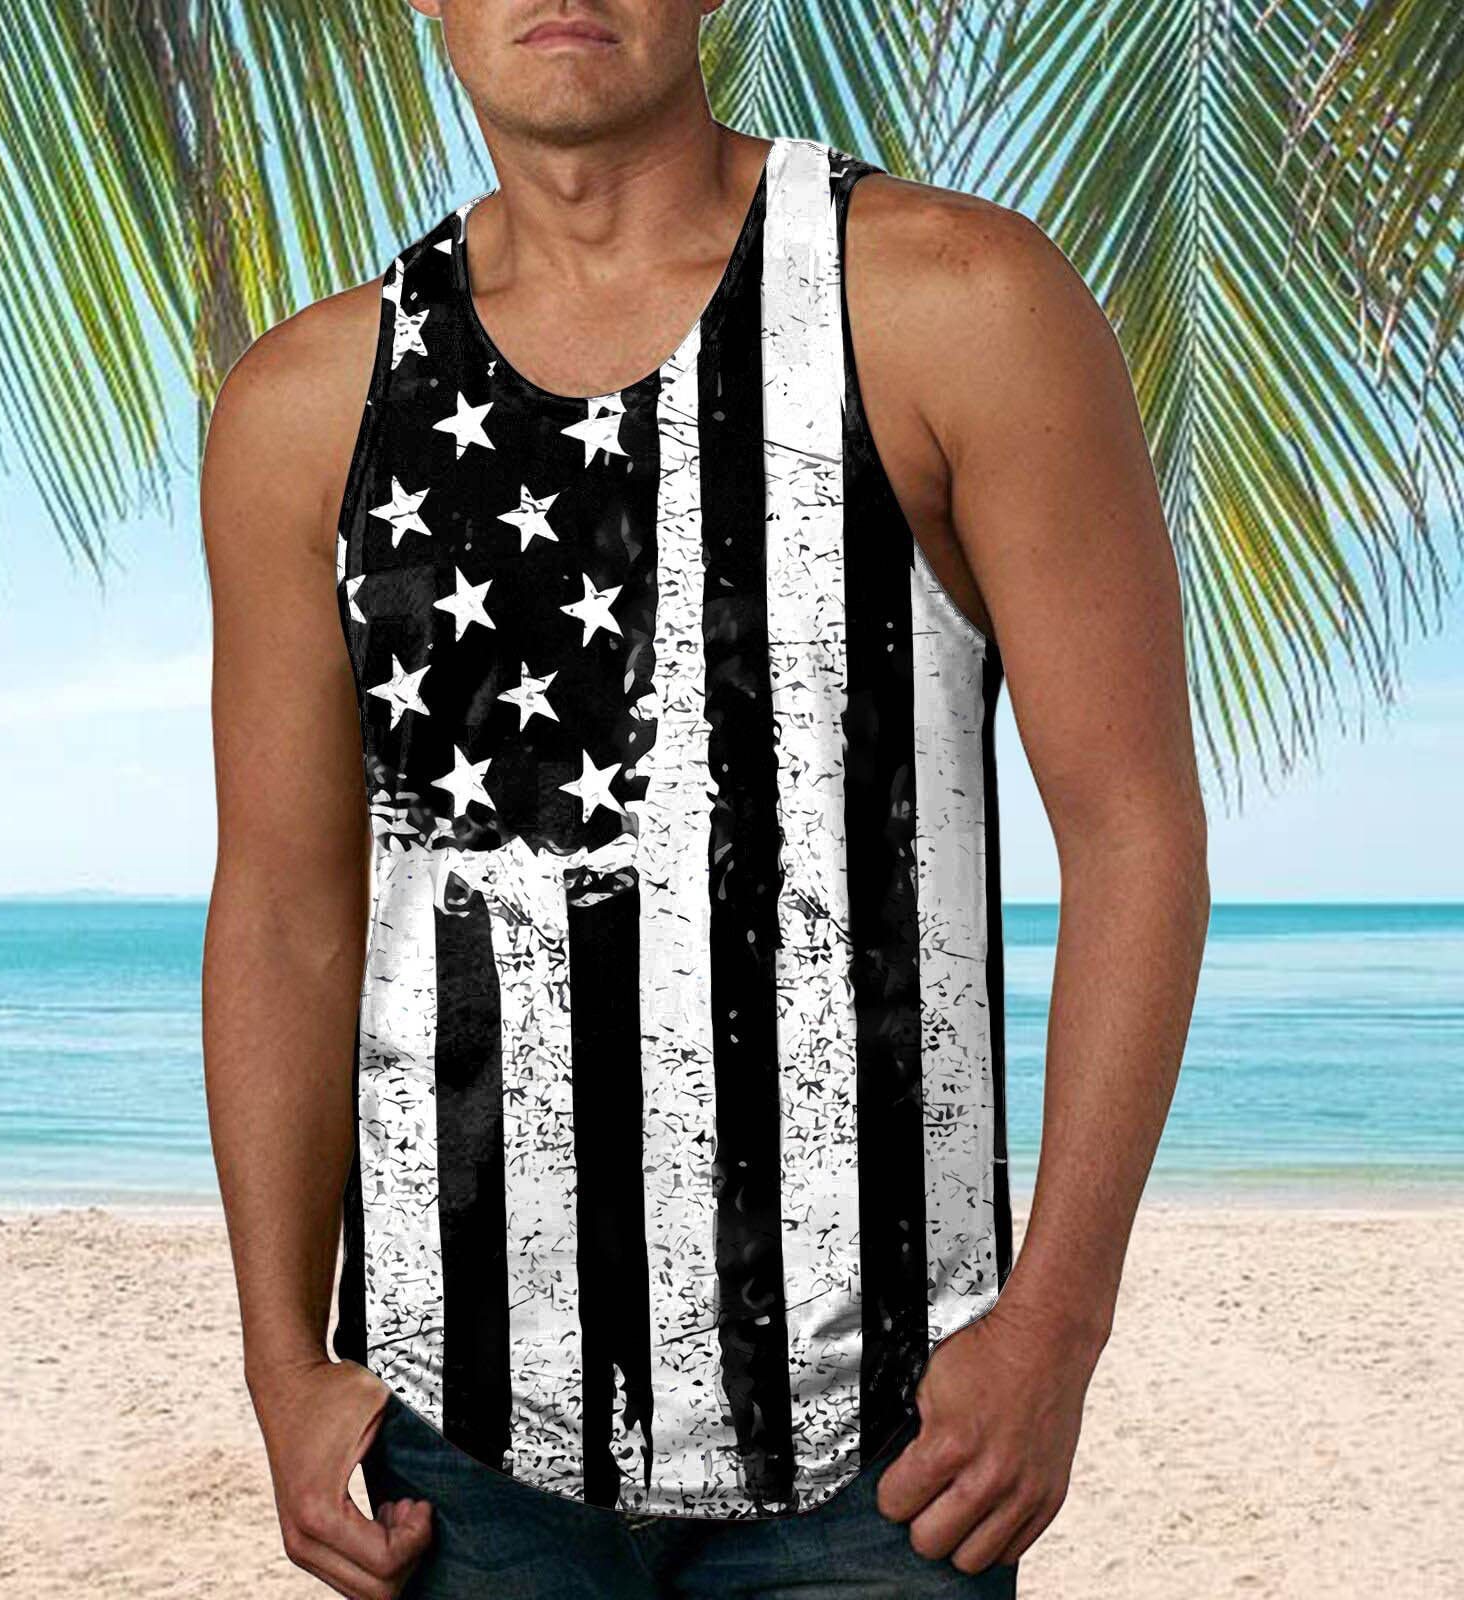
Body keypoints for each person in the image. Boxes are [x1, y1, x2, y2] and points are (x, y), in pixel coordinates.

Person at [198, 2, 1210, 1596]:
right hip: (455, 1441)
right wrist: (280, 1359)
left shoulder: (954, 304)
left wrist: (1056, 1326)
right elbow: (283, 905)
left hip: (889, 1446)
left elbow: (1136, 832)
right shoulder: (310, 403)